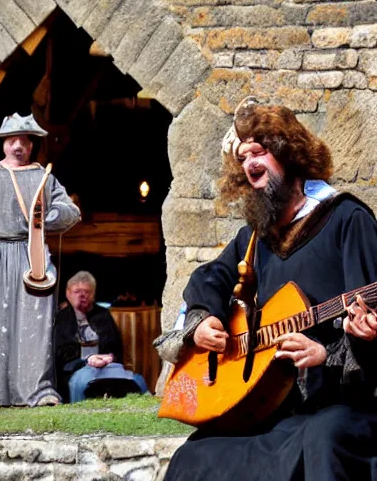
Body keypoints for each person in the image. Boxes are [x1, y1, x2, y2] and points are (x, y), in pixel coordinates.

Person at [161, 99, 377, 480]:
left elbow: (368, 326)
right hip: (274, 408)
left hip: (342, 407)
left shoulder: (347, 220)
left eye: (259, 152)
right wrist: (205, 320)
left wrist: (325, 353)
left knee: (323, 440)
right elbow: (207, 278)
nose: (249, 164)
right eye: (243, 158)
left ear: (290, 156)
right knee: (195, 456)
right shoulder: (255, 239)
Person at [0, 112, 81, 407]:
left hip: (31, 253)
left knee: (34, 322)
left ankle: (36, 392)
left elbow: (70, 211)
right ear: (4, 143)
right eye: (12, 140)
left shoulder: (42, 177)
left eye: (23, 140)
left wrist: (46, 218)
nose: (18, 145)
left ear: (31, 145)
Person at [55, 271, 148, 403]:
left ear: (93, 294)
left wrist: (109, 357)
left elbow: (116, 346)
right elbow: (60, 354)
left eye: (86, 292)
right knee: (82, 383)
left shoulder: (103, 315)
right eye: (77, 291)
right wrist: (88, 360)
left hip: (107, 366)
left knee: (139, 381)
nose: (82, 295)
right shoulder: (62, 318)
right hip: (75, 369)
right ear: (68, 293)